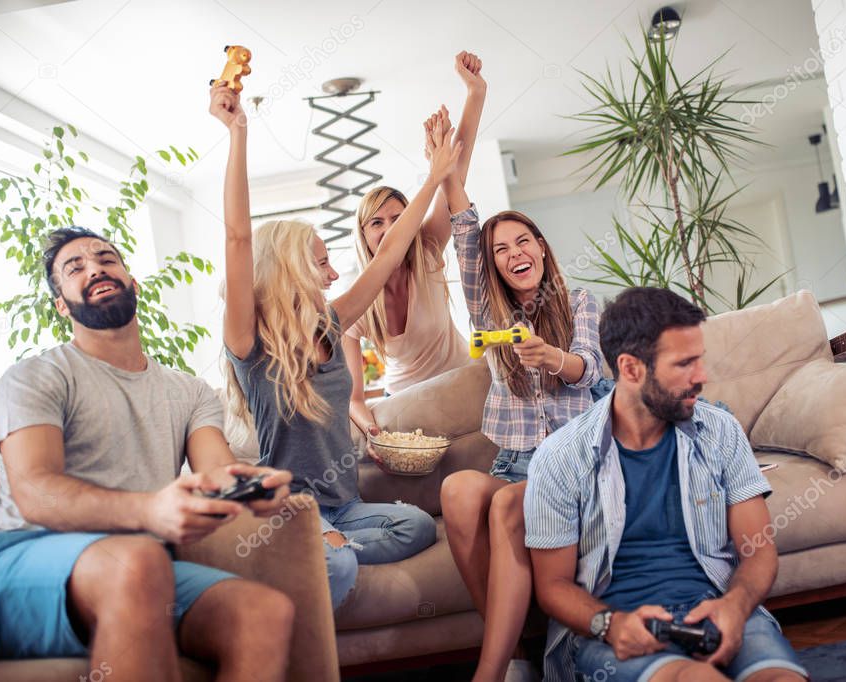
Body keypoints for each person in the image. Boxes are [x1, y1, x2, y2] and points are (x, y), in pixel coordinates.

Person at [0, 226, 296, 681]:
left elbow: (217, 472)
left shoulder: (189, 391)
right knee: (140, 560)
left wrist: (250, 490)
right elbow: (36, 493)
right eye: (75, 268)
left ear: (133, 283)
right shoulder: (34, 376)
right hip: (24, 555)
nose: (95, 268)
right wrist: (150, 510)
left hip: (139, 567)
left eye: (107, 258)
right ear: (61, 305)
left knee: (264, 612)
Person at [211, 83, 462, 609]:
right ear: (289, 268)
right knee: (340, 563)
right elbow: (238, 238)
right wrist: (238, 133)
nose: (330, 275)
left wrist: (437, 176)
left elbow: (390, 252)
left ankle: (319, 549)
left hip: (344, 508)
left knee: (415, 526)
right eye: (320, 262)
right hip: (292, 507)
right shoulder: (250, 343)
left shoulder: (329, 323)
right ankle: (314, 548)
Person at [524, 287, 809, 682]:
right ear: (631, 369)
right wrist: (610, 624)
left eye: (700, 360)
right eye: (684, 364)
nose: (702, 377)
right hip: (619, 633)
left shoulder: (720, 431)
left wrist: (736, 606)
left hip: (718, 609)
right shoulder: (559, 458)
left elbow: (759, 552)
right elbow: (552, 586)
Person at [438, 170, 603, 681]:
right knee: (460, 489)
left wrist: (555, 357)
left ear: (540, 247)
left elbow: (592, 368)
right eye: (501, 250)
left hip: (574, 460)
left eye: (521, 241)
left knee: (509, 504)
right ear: (493, 266)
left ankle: (488, 675)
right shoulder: (488, 315)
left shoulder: (580, 303)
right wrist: (446, 166)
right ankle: (514, 657)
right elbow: (465, 232)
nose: (513, 254)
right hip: (516, 462)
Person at [344, 51, 486, 444]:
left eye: (397, 218)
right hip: (404, 402)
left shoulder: (426, 249)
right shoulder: (354, 303)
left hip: (460, 386)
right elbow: (354, 398)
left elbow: (457, 167)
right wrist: (369, 427)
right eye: (377, 223)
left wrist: (475, 93)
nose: (390, 230)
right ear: (363, 235)